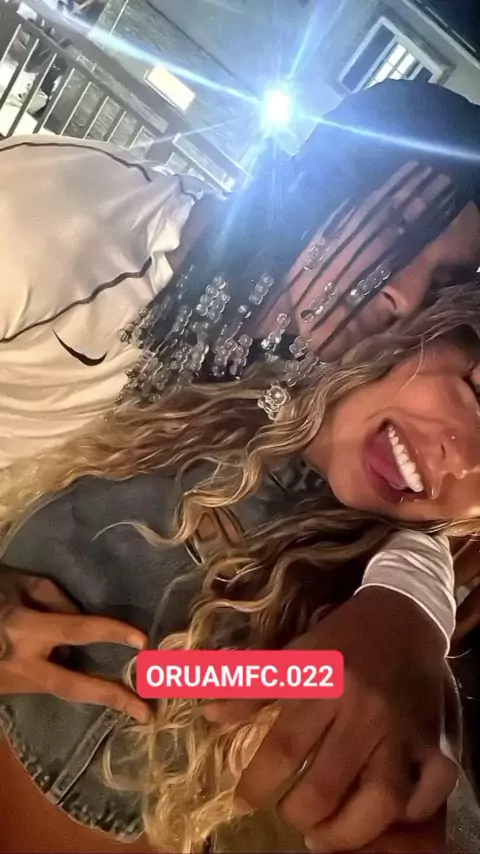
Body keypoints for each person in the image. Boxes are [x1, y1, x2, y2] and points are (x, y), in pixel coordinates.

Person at [1, 77, 480, 847]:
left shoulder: (307, 400)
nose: (403, 296)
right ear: (320, 180)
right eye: (396, 226)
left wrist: (411, 605)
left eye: (446, 286)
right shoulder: (45, 228)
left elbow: (424, 499)